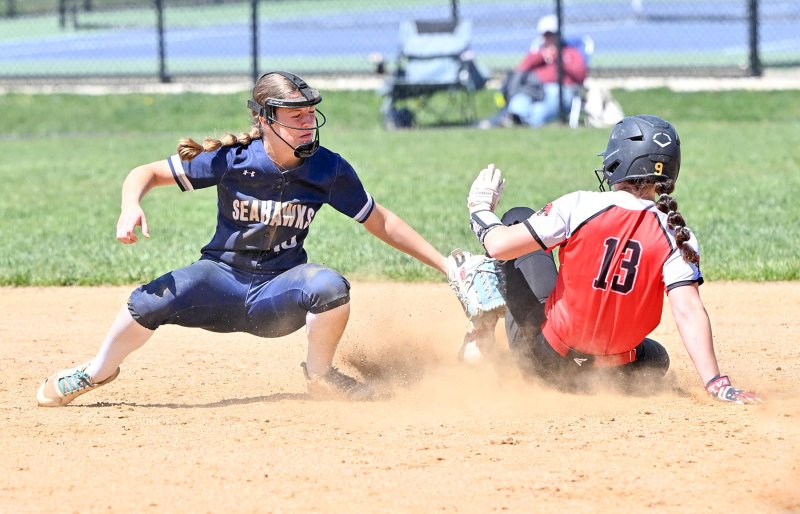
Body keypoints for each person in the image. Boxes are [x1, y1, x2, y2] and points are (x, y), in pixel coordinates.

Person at [37, 71, 448, 406]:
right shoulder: (234, 159)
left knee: (329, 287)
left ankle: (321, 376)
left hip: (279, 292)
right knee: (148, 299)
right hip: (219, 280)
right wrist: (131, 205)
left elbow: (379, 220)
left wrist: (446, 265)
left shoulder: (328, 169)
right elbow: (146, 173)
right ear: (266, 119)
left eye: (311, 114)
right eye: (296, 116)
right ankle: (97, 371)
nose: (308, 124)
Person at [463, 114, 762, 404]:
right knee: (657, 357)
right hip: (618, 371)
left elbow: (499, 245)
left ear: (618, 162)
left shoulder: (581, 205)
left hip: (546, 362)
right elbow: (688, 310)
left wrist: (480, 207)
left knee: (517, 218)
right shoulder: (676, 233)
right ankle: (594, 379)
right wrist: (715, 383)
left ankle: (484, 308)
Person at [479, 14, 588, 129]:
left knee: (543, 106)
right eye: (546, 35)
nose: (549, 38)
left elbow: (580, 75)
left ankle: (524, 123)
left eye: (552, 34)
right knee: (520, 98)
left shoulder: (570, 53)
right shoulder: (538, 54)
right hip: (534, 88)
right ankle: (513, 118)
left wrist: (559, 58)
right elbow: (521, 69)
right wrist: (540, 56)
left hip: (560, 90)